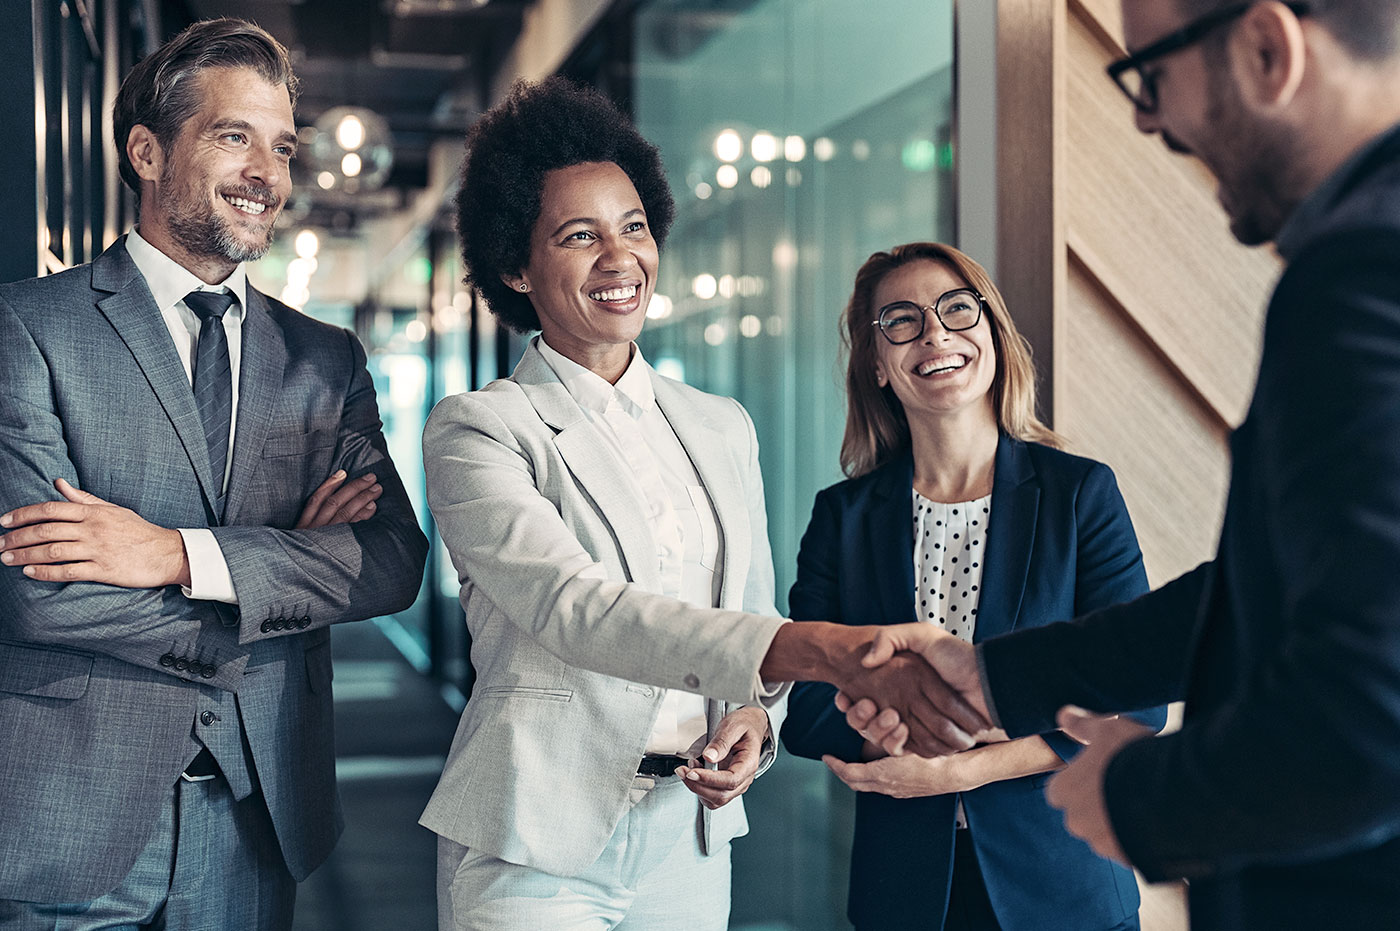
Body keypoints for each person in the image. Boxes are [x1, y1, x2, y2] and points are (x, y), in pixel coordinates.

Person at [843, 1, 1400, 927]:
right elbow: (1282, 588)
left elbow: (1372, 709)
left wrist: (1136, 798)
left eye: (1153, 72)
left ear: (1267, 50)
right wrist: (996, 673)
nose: (1147, 116)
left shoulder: (1359, 283)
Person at [419, 78, 993, 930]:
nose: (620, 260)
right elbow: (580, 612)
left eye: (635, 227)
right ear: (515, 265)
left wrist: (757, 727)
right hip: (535, 840)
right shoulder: (481, 428)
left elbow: (748, 608)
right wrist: (822, 650)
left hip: (688, 839)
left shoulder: (719, 425)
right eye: (580, 237)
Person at [0, 19, 428, 928]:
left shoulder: (325, 358)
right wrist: (286, 574)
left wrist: (174, 554)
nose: (267, 174)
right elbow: (41, 595)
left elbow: (390, 561)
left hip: (256, 814)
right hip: (69, 817)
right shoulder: (30, 327)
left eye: (281, 147)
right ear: (148, 152)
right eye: (234, 136)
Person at [780, 242, 1164, 931]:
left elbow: (1136, 699)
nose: (934, 334)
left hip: (1065, 885)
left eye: (957, 309)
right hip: (904, 892)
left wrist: (954, 771)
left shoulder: (1080, 494)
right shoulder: (842, 516)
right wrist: (922, 739)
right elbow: (803, 701)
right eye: (900, 320)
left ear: (992, 333)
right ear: (876, 362)